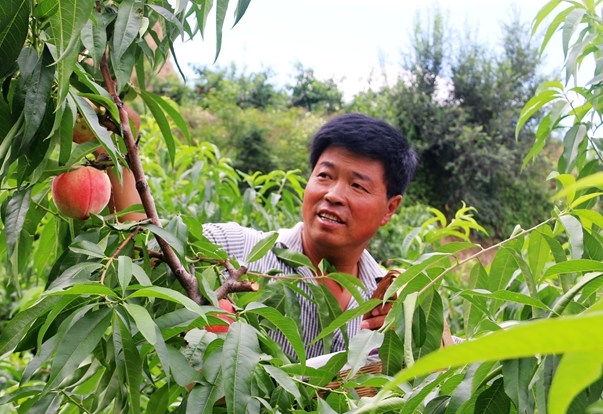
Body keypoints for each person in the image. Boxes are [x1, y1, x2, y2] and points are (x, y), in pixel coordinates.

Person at [110, 113, 418, 360]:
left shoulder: (392, 302)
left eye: (358, 186)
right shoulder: (235, 249)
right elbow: (143, 251)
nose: (334, 195)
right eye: (325, 175)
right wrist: (114, 150)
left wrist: (421, 339)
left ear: (390, 209)